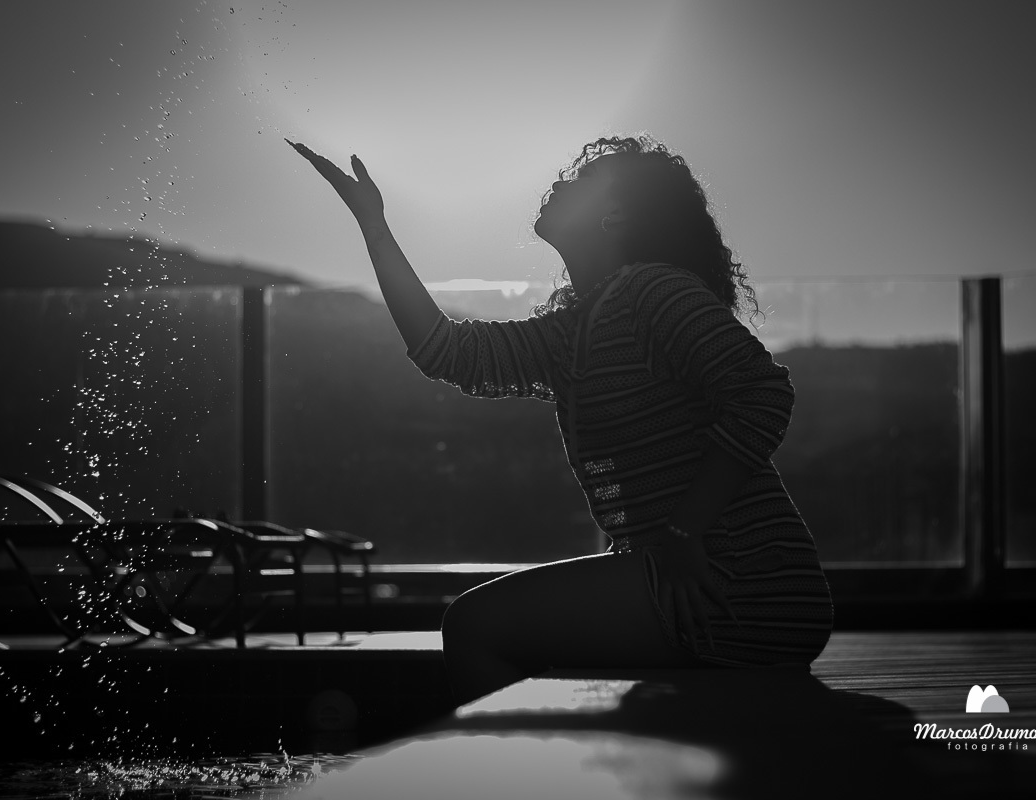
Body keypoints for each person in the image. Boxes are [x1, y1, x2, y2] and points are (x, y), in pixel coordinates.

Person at [287, 134, 834, 706]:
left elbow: (763, 392)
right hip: (693, 580)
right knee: (514, 643)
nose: (559, 183)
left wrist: (682, 533)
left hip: (739, 583)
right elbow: (447, 352)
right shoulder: (575, 328)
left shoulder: (653, 291)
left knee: (475, 628)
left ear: (614, 213)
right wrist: (374, 226)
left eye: (580, 181)